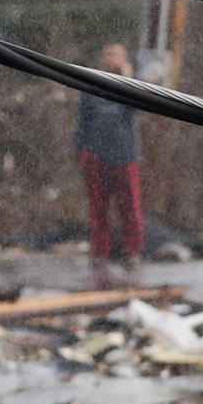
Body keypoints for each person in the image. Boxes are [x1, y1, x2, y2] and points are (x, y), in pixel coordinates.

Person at [75, 41, 146, 289]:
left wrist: (130, 79)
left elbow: (137, 110)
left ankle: (133, 253)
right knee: (99, 210)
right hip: (96, 157)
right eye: (108, 55)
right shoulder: (92, 85)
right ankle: (100, 255)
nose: (112, 59)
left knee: (130, 208)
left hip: (125, 156)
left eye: (116, 55)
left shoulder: (132, 84)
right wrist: (82, 153)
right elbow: (82, 123)